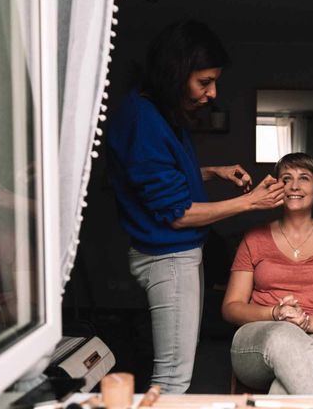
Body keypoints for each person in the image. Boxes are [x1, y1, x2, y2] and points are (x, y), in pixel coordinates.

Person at [106, 20, 285, 394]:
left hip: (177, 256)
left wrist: (211, 172)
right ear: (175, 73)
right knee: (172, 379)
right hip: (168, 259)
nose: (212, 93)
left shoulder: (157, 112)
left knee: (176, 369)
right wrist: (250, 202)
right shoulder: (144, 119)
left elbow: (158, 178)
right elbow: (177, 214)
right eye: (204, 82)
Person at [222, 153, 313, 395]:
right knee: (284, 334)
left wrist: (310, 322)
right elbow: (231, 307)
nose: (294, 186)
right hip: (259, 339)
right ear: (277, 187)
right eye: (286, 178)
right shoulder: (254, 239)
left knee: (286, 387)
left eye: (304, 178)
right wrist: (275, 314)